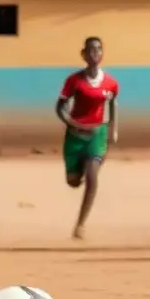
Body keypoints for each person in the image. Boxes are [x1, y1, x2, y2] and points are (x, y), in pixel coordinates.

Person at [55, 37, 119, 240]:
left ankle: (81, 224)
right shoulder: (74, 81)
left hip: (97, 135)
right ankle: (79, 168)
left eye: (99, 49)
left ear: (102, 54)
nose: (95, 53)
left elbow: (112, 104)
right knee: (73, 182)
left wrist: (112, 129)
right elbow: (60, 107)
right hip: (75, 136)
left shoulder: (110, 83)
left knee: (92, 178)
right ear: (84, 54)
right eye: (91, 50)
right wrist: (74, 124)